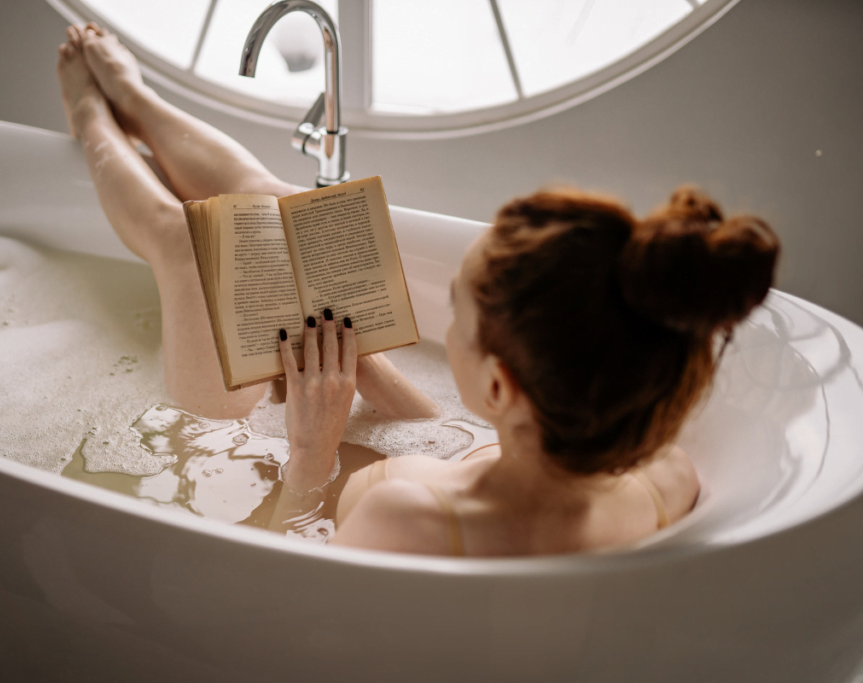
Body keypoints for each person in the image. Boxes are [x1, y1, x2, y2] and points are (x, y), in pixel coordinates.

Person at [56, 24, 779, 556]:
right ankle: (137, 100)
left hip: (227, 471)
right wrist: (371, 375)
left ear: (498, 382)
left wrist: (310, 455)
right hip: (345, 430)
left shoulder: (410, 521)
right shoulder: (658, 473)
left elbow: (273, 600)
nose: (443, 320)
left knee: (191, 246)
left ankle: (93, 116)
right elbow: (471, 450)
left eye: (455, 312)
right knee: (278, 211)